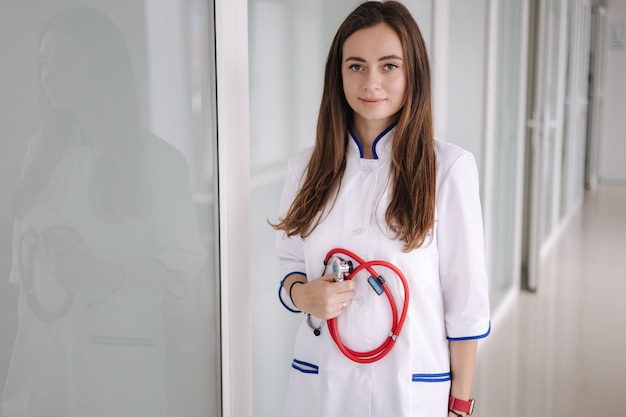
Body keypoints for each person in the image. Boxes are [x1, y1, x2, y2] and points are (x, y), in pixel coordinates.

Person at [272, 1, 490, 416]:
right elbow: (286, 266)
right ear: (338, 75)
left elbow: (464, 304)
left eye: (389, 66)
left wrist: (461, 405)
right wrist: (305, 294)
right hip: (322, 382)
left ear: (413, 74)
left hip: (410, 387)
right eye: (356, 66)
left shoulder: (449, 170)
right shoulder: (305, 168)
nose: (371, 82)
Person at [1, 7, 205, 417]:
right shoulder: (39, 154)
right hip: (41, 357)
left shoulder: (158, 161)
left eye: (65, 64)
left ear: (102, 70)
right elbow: (22, 276)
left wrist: (101, 273)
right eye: (44, 64)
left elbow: (185, 263)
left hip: (115, 363)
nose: (48, 78)